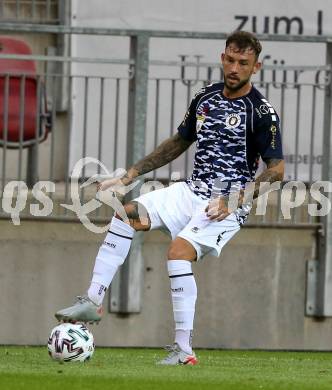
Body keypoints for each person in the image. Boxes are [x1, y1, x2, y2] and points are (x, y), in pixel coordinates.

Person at [55, 31, 284, 365]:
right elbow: (179, 141)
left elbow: (277, 170)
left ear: (256, 67)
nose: (235, 68)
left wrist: (234, 200)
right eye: (231, 60)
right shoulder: (205, 98)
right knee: (126, 213)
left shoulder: (262, 112)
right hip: (190, 192)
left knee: (178, 253)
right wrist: (129, 175)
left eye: (243, 63)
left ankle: (184, 351)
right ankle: (93, 300)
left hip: (223, 205)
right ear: (223, 59)